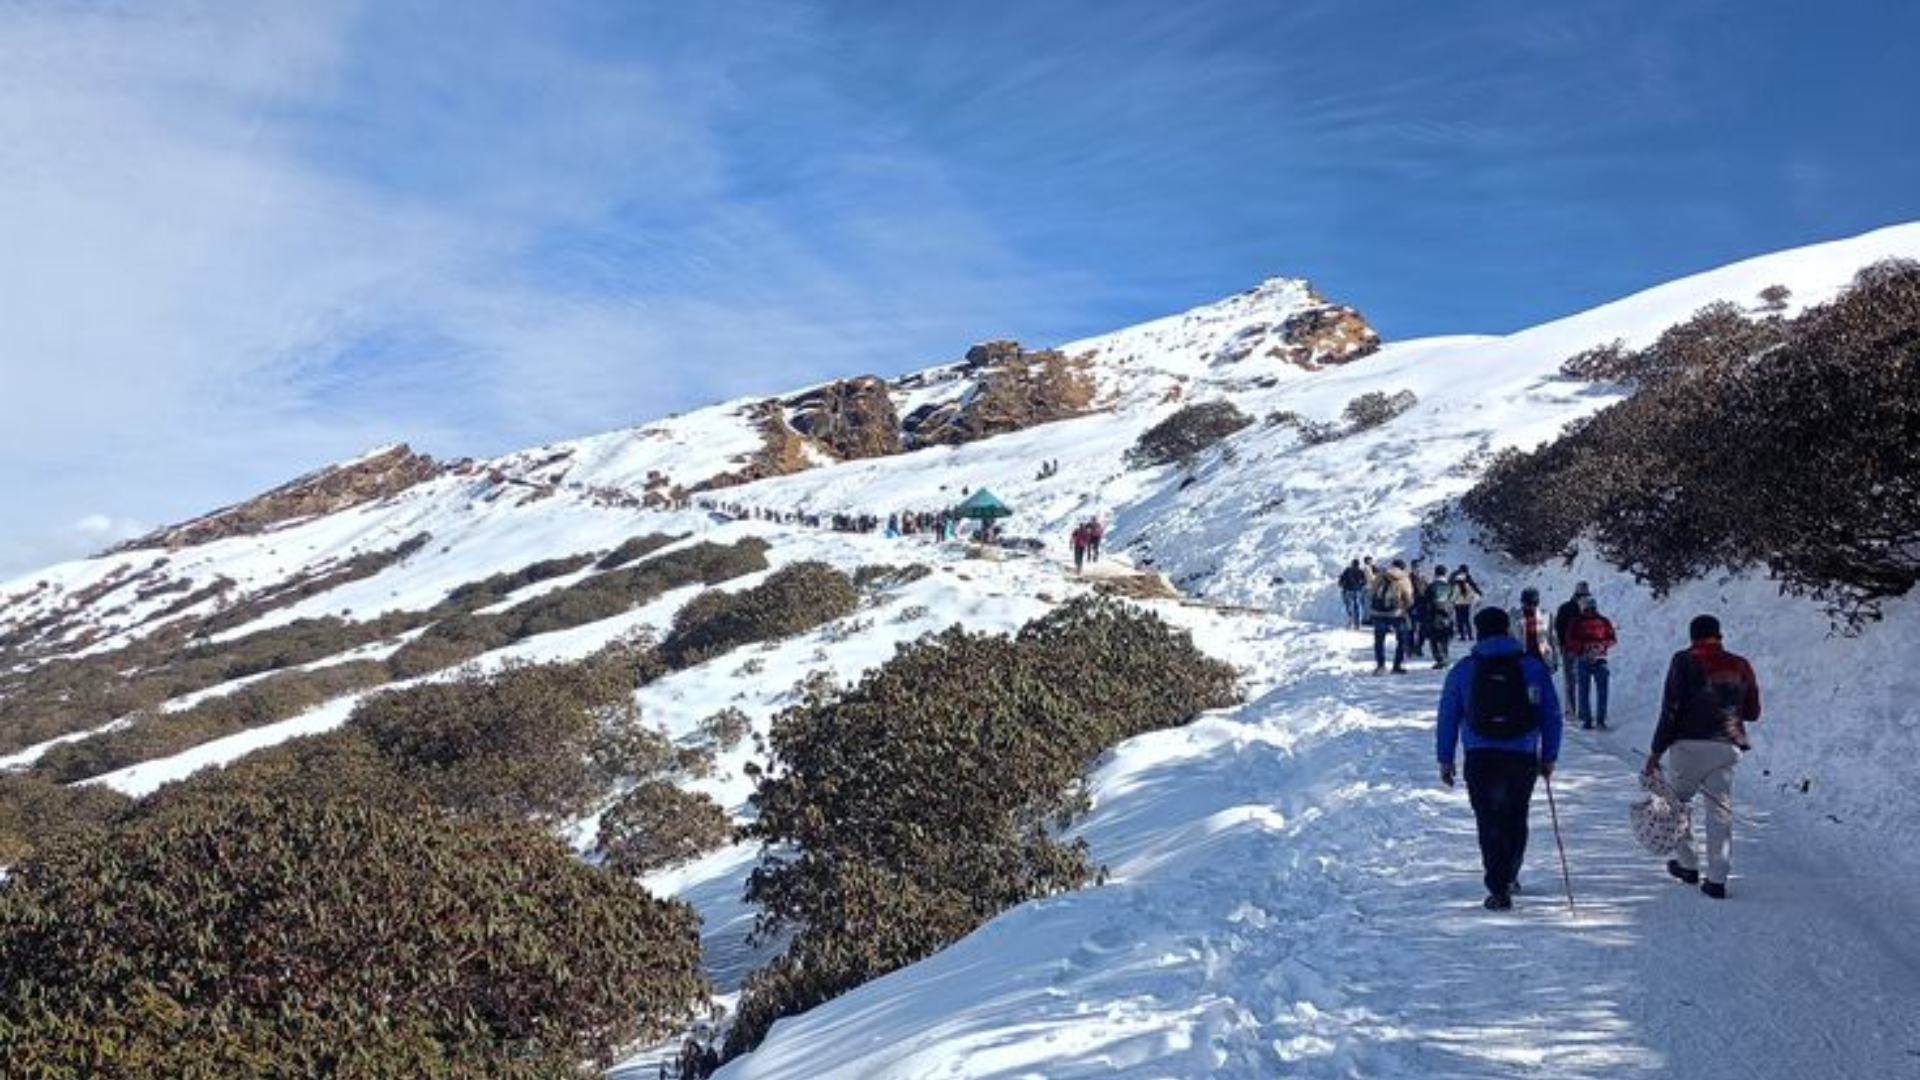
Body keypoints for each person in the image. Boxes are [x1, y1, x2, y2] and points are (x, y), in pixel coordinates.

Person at [1437, 607, 1564, 910]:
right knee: (1516, 815)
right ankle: (1511, 874)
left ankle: (1498, 886)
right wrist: (1549, 756)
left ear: (1478, 632)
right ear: (1507, 630)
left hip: (1480, 755)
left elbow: (1448, 716)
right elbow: (1551, 715)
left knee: (1488, 819)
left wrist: (1445, 758)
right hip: (1522, 755)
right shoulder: (1532, 667)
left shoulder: (1464, 669)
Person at [1644, 615, 1761, 899]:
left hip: (1689, 745)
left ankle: (1688, 865)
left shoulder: (1683, 661)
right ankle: (1717, 880)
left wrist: (1656, 750)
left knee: (1677, 805)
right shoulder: (1740, 664)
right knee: (1719, 811)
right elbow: (1753, 712)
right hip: (1726, 747)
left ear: (1692, 636)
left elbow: (1671, 707)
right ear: (1719, 635)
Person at [1565, 594, 1618, 729]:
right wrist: (1587, 646)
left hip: (1598, 659)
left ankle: (1597, 720)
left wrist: (1600, 645)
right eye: (1588, 608)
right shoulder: (1577, 621)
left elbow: (1612, 639)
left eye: (1591, 608)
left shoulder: (1603, 621)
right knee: (1587, 690)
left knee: (1598, 691)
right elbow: (1570, 640)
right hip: (1586, 658)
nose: (1590, 610)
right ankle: (1589, 720)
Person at [1367, 559, 1415, 674]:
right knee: (1402, 639)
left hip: (1378, 612)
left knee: (1379, 640)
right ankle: (1396, 666)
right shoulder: (1404, 578)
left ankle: (1380, 666)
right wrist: (1406, 608)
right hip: (1396, 613)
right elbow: (1408, 597)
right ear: (1403, 568)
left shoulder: (1380, 575)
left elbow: (1371, 592)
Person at [1553, 582, 1591, 721]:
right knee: (1580, 679)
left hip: (1569, 648)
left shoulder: (1564, 607)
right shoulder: (1586, 608)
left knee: (1570, 679)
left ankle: (1571, 711)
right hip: (1581, 649)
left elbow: (1558, 627)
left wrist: (1562, 644)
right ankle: (1581, 711)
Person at [1509, 587, 1559, 673]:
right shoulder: (1514, 617)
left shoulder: (1546, 616)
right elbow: (1509, 638)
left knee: (1543, 685)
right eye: (1528, 603)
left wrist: (1555, 659)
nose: (1531, 606)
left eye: (1534, 603)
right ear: (1523, 602)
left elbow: (1553, 638)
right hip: (1521, 659)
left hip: (1542, 658)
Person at [1425, 564, 1457, 668]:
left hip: (1434, 615)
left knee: (1435, 638)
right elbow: (1453, 600)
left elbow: (1426, 600)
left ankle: (1440, 659)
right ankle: (1445, 656)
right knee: (1445, 637)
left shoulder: (1431, 586)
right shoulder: (1449, 586)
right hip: (1447, 615)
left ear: (1435, 573)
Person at [1450, 565, 1482, 641]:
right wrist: (1478, 592)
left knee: (1459, 618)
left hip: (1457, 601)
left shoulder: (1454, 576)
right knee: (1466, 618)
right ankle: (1470, 635)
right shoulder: (1466, 577)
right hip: (1466, 601)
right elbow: (1473, 585)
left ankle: (1462, 635)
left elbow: (1450, 585)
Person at [1338, 558, 1369, 629]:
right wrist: (1360, 586)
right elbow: (1365, 582)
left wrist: (1343, 586)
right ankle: (1357, 624)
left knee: (1349, 607)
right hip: (1357, 591)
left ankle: (1350, 621)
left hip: (1348, 591)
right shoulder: (1360, 571)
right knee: (1357, 607)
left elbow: (1341, 580)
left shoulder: (1347, 570)